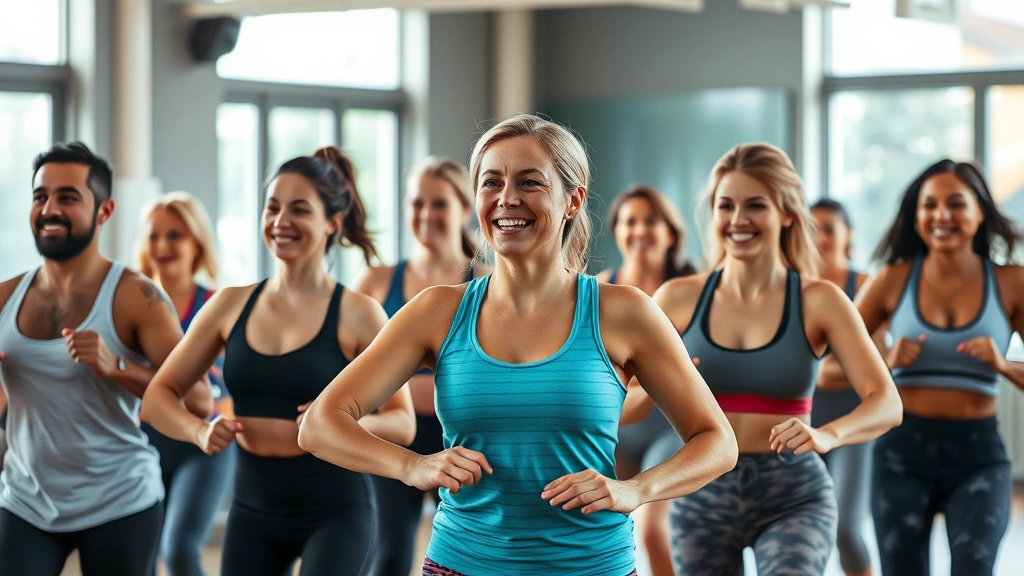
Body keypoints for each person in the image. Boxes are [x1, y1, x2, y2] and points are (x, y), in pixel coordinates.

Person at [298, 114, 738, 576]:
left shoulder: (625, 312)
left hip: (592, 566)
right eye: (491, 182)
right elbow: (321, 424)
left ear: (573, 201)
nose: (507, 198)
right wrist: (411, 466)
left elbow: (717, 442)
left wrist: (637, 489)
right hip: (461, 564)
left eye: (530, 182)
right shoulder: (437, 311)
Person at [142, 147, 415, 576]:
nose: (280, 221)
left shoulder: (359, 314)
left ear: (332, 222)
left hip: (337, 510)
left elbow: (402, 422)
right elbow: (158, 395)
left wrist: (338, 421)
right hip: (253, 510)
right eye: (272, 207)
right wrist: (199, 430)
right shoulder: (229, 305)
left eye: (299, 209)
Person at [655, 143, 902, 575]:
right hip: (702, 488)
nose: (738, 219)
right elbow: (619, 402)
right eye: (725, 206)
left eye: (756, 205)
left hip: (795, 494)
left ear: (786, 213)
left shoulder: (820, 300)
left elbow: (887, 403)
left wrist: (827, 435)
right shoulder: (676, 299)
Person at [0, 142, 197, 575]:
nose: (50, 209)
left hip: (119, 502)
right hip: (26, 502)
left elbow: (199, 398)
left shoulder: (137, 297)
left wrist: (117, 367)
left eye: (67, 197)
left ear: (104, 211)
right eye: (40, 196)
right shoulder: (5, 298)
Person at [856, 159, 1024, 575]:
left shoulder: (1011, 282)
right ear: (916, 217)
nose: (941, 215)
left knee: (974, 567)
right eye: (929, 205)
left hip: (979, 456)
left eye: (956, 203)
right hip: (900, 455)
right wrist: (886, 361)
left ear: (980, 211)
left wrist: (1002, 365)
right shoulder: (891, 281)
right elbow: (827, 370)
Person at [354, 156, 489, 576]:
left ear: (464, 209)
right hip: (396, 440)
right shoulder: (376, 282)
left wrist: (407, 386)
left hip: (468, 438)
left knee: (474, 555)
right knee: (388, 555)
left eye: (439, 204)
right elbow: (352, 370)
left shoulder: (490, 283)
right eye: (417, 203)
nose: (426, 214)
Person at [596, 184, 697, 576]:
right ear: (617, 231)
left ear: (670, 233)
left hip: (669, 430)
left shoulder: (692, 290)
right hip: (615, 429)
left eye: (650, 221)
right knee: (599, 524)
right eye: (630, 222)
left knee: (654, 531)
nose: (639, 230)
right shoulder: (596, 290)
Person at [135, 191, 235, 576]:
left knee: (179, 549)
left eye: (174, 235)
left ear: (197, 243)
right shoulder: (131, 304)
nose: (162, 245)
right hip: (143, 439)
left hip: (204, 443)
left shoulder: (220, 305)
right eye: (154, 235)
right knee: (140, 554)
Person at [808, 198, 877, 576]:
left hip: (853, 422)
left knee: (846, 529)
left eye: (829, 229)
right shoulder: (793, 289)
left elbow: (878, 363)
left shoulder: (864, 286)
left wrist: (826, 371)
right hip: (803, 420)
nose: (820, 238)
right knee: (805, 532)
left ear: (847, 235)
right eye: (812, 229)